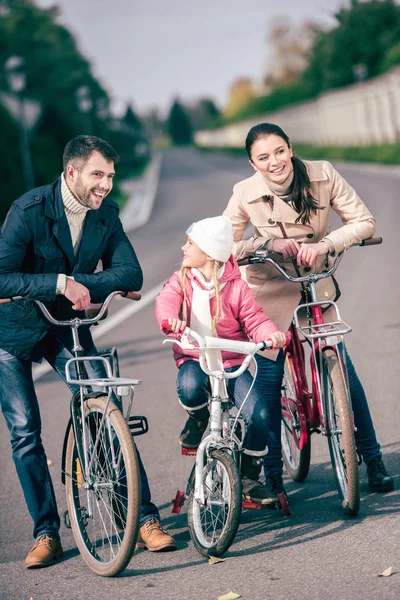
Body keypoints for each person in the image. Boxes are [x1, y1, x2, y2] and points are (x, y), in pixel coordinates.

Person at [0, 135, 176, 569]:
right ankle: (46, 532)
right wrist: (61, 282)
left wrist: (86, 285)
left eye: (111, 176)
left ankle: (141, 519)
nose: (106, 185)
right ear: (71, 172)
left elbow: (129, 272)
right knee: (25, 432)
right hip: (13, 333)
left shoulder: (106, 214)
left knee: (105, 404)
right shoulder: (29, 211)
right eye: (98, 175)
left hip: (66, 328)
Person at [223, 122, 394, 499]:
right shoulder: (244, 193)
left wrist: (327, 244)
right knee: (266, 375)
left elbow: (364, 222)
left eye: (280, 151)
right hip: (271, 284)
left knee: (342, 369)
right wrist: (267, 242)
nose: (274, 162)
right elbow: (224, 245)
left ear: (291, 149)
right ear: (253, 164)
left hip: (316, 280)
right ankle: (271, 475)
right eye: (263, 157)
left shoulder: (323, 174)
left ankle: (372, 457)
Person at [155, 215, 286, 505]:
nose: (183, 248)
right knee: (189, 386)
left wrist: (271, 334)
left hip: (231, 364)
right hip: (195, 358)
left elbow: (255, 319)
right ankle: (199, 417)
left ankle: (250, 476)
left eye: (190, 243)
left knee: (260, 416)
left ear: (209, 253)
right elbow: (166, 302)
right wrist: (171, 319)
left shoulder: (237, 288)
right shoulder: (181, 282)